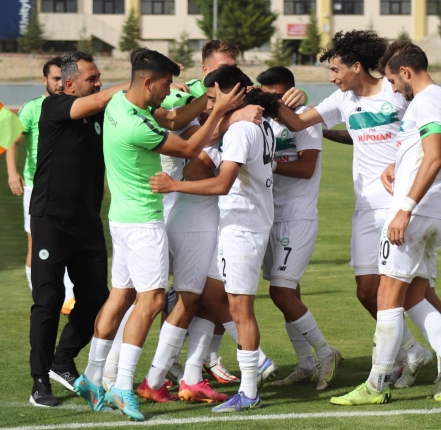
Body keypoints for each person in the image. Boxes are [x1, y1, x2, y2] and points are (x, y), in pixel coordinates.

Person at [74, 50, 243, 421]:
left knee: (120, 296)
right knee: (150, 302)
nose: (169, 92)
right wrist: (218, 109)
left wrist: (206, 101)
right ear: (148, 82)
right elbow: (189, 148)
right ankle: (123, 386)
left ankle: (92, 375)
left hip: (120, 219)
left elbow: (175, 118)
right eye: (166, 85)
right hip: (143, 223)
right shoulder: (139, 125)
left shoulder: (120, 103)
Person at [275, 30, 433, 388]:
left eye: (335, 70)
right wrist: (275, 102)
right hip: (365, 208)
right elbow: (298, 122)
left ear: (356, 66)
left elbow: (422, 136)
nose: (332, 77)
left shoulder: (396, 91)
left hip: (399, 205)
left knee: (415, 290)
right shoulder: (342, 99)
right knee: (366, 291)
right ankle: (412, 351)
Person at [331, 41, 441, 406]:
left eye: (394, 81)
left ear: (407, 72)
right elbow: (427, 150)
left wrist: (405, 208)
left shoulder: (426, 100)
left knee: (387, 295)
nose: (394, 89)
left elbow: (433, 156)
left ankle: (376, 384)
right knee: (414, 297)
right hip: (435, 211)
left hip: (414, 211)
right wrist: (396, 164)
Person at [150, 66, 279, 413]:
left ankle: (249, 391)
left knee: (240, 309)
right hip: (239, 225)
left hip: (243, 229)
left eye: (212, 97)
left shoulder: (241, 129)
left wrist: (174, 185)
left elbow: (222, 184)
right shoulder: (258, 123)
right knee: (208, 293)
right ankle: (208, 373)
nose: (208, 105)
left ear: (230, 92)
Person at [27, 51, 126, 408]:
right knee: (49, 299)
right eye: (91, 78)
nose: (98, 83)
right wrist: (137, 82)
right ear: (69, 85)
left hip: (87, 221)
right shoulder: (54, 106)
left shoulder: (100, 114)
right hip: (51, 219)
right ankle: (39, 381)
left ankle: (62, 360)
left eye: (99, 77)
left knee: (97, 299)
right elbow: (100, 100)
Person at [256, 67, 343, 391]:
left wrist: (270, 162)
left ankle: (326, 354)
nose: (272, 102)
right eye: (267, 96)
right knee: (288, 294)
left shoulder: (304, 119)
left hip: (297, 217)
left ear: (291, 92)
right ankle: (306, 363)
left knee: (280, 292)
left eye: (277, 95)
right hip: (269, 216)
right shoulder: (262, 121)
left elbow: (306, 167)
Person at [5, 57, 77, 316]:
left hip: (68, 188)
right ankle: (39, 295)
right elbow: (12, 142)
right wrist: (12, 173)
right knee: (36, 243)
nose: (60, 84)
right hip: (37, 188)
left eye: (63, 78)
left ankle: (69, 298)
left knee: (68, 243)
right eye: (55, 78)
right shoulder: (32, 108)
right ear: (44, 79)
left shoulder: (75, 106)